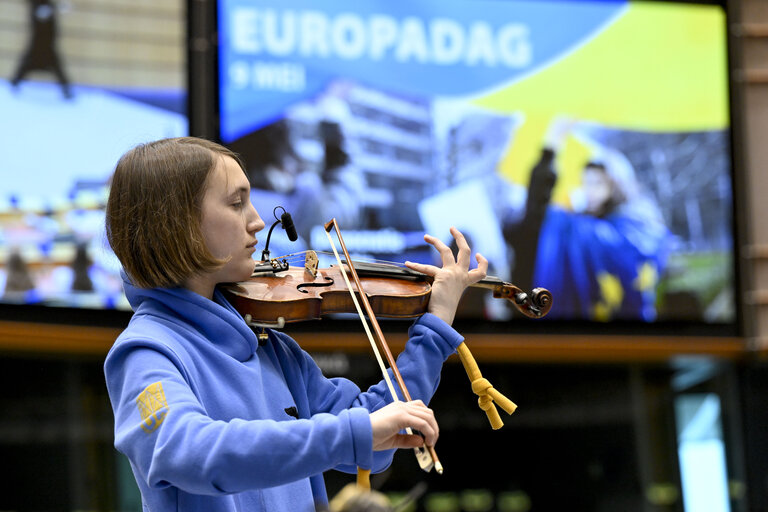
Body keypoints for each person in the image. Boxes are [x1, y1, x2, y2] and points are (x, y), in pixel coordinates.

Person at [103, 137, 487, 512]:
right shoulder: (146, 351)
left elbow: (375, 436)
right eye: (237, 203)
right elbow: (190, 452)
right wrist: (353, 433)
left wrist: (435, 326)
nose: (257, 221)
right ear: (177, 225)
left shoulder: (270, 345)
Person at [504, 120, 671, 321]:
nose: (590, 190)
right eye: (586, 183)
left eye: (598, 183)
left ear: (616, 184)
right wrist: (550, 150)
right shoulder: (575, 227)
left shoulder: (635, 228)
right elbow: (537, 212)